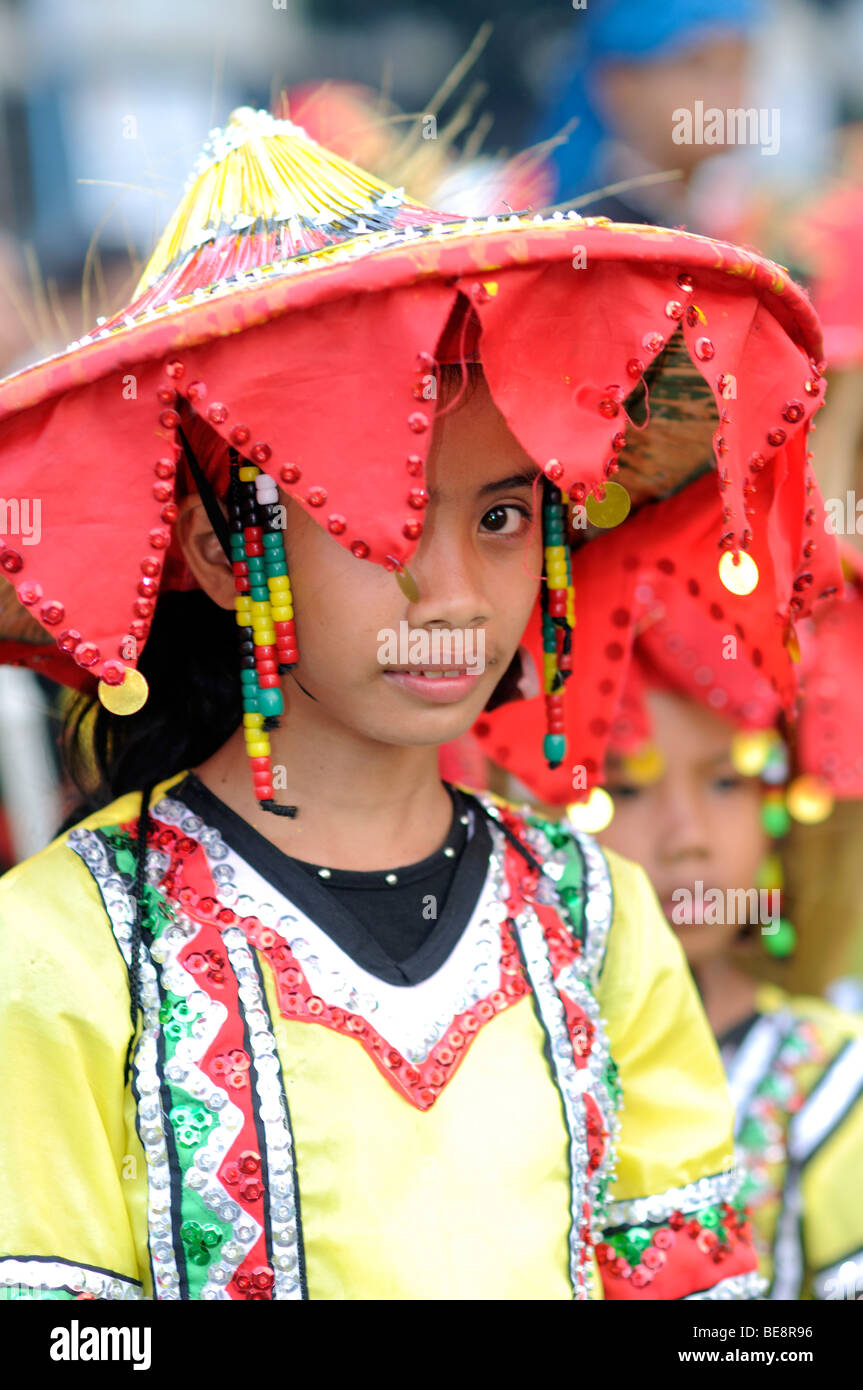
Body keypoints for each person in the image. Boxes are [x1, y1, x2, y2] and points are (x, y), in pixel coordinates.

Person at [0, 106, 838, 1301]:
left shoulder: (597, 920)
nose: (448, 592)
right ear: (227, 552)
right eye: (379, 521)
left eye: (500, 517)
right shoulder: (59, 951)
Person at [582, 552, 863, 1300]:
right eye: (624, 787)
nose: (686, 838)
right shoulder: (507, 1063)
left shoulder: (831, 1082)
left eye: (726, 780)